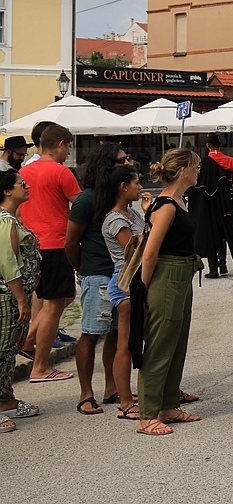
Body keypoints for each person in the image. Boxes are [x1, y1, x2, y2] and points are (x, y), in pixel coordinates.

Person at [137, 149, 203, 436]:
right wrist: (142, 289)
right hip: (167, 277)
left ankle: (167, 404)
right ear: (184, 170)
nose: (199, 170)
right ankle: (147, 414)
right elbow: (150, 253)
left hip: (180, 274)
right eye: (196, 166)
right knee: (160, 345)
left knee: (176, 342)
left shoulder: (177, 200)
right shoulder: (166, 205)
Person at [65, 143, 131, 415]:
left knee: (115, 334)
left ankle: (112, 387)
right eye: (121, 160)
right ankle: (85, 393)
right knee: (91, 334)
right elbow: (71, 241)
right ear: (106, 165)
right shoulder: (86, 199)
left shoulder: (118, 196)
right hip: (97, 275)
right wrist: (82, 268)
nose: (127, 163)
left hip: (120, 275)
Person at [19, 124, 81, 383]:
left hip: (33, 244)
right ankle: (41, 367)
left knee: (60, 298)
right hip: (56, 242)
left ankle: (29, 340)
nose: (68, 152)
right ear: (60, 144)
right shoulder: (60, 172)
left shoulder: (23, 172)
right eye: (68, 147)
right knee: (55, 305)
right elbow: (80, 206)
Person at [96, 163, 148, 421]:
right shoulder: (115, 219)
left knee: (136, 340)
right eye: (136, 182)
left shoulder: (131, 213)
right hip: (125, 281)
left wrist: (147, 214)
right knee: (125, 344)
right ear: (123, 187)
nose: (140, 187)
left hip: (136, 281)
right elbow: (136, 251)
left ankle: (134, 393)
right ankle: (125, 400)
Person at [0, 169, 39, 431]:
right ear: (6, 191)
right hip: (7, 298)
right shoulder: (6, 222)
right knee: (2, 351)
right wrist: (21, 301)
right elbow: (8, 264)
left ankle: (5, 399)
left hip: (17, 296)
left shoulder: (14, 219)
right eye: (20, 183)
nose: (26, 186)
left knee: (11, 350)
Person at [192, 133, 233, 278]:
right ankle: (224, 264)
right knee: (224, 233)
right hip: (226, 203)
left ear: (207, 146)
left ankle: (213, 268)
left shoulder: (202, 163)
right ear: (220, 145)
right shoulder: (231, 162)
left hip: (209, 203)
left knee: (210, 232)